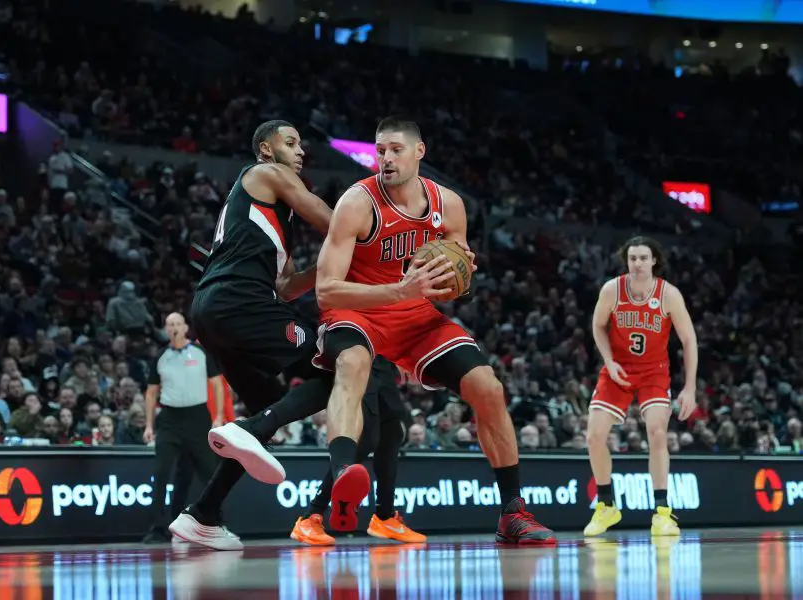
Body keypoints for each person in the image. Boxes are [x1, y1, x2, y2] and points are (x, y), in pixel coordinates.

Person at [222, 116, 553, 543]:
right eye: (380, 150)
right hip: (359, 311)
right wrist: (399, 290)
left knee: (487, 387)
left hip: (415, 317)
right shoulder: (357, 203)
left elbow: (459, 287)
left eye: (396, 149)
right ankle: (344, 472)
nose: (386, 158)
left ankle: (512, 511)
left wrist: (459, 280)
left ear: (420, 152)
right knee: (354, 362)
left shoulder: (448, 204)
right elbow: (326, 291)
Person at [168, 120, 344, 550]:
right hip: (238, 302)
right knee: (339, 369)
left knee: (266, 409)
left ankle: (203, 515)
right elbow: (329, 219)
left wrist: (331, 267)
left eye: (302, 144)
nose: (300, 151)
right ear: (266, 150)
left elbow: (286, 287)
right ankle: (248, 427)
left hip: (214, 310)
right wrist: (378, 241)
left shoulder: (264, 212)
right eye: (290, 143)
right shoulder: (266, 173)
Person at [584, 237, 697, 537]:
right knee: (594, 435)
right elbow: (597, 325)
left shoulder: (669, 294)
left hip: (654, 372)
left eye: (643, 258)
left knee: (657, 430)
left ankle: (662, 512)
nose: (637, 263)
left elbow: (688, 339)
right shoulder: (612, 290)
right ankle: (606, 505)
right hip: (618, 368)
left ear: (654, 261)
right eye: (632, 258)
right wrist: (608, 360)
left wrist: (690, 388)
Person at [290, 357, 426, 545]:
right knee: (365, 439)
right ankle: (310, 516)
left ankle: (385, 517)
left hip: (383, 360)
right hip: (362, 355)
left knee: (392, 433)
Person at [142, 312, 223, 543]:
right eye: (170, 324)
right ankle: (158, 528)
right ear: (166, 329)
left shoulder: (199, 352)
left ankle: (214, 523)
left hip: (197, 417)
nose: (175, 327)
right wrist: (149, 425)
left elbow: (217, 384)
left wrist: (217, 416)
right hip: (169, 419)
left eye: (178, 323)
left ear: (185, 327)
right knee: (160, 473)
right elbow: (150, 393)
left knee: (209, 473)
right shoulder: (161, 356)